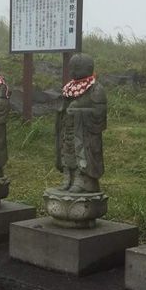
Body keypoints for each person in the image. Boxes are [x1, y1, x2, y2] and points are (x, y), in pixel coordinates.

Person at [55, 53, 107, 193]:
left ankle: (83, 180)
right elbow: (62, 106)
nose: (72, 71)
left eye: (76, 68)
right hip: (68, 129)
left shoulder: (95, 89)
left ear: (89, 68)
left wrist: (79, 110)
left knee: (82, 155)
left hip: (84, 133)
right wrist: (63, 109)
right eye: (71, 68)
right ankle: (68, 177)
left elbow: (99, 113)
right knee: (67, 152)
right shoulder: (69, 88)